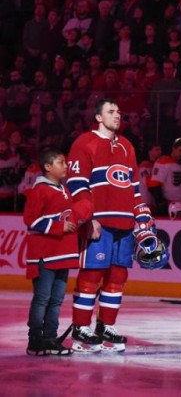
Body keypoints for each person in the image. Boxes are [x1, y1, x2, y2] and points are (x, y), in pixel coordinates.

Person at [67, 98, 155, 352]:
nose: (117, 115)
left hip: (125, 223)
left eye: (119, 112)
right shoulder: (85, 142)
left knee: (118, 275)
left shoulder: (127, 145)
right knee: (92, 274)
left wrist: (142, 216)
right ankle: (81, 328)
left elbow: (134, 186)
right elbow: (76, 184)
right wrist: (88, 217)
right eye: (111, 111)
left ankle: (106, 326)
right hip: (99, 221)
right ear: (98, 117)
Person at [23, 149, 79, 355]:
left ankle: (49, 338)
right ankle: (35, 340)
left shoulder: (63, 189)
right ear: (48, 167)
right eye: (61, 162)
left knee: (56, 299)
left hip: (62, 253)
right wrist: (58, 227)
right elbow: (31, 219)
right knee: (43, 298)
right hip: (46, 253)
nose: (66, 166)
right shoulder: (40, 190)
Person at [149, 138, 181, 218]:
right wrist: (161, 203)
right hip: (171, 205)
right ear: (173, 148)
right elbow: (154, 185)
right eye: (179, 151)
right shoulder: (163, 162)